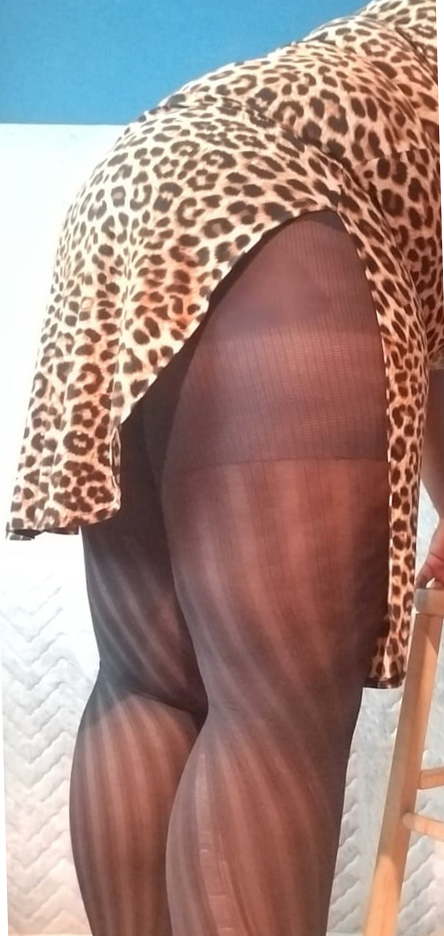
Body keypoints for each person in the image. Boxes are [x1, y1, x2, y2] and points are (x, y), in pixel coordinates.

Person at [4, 0, 442, 933]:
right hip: (279, 209)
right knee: (274, 711)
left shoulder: (386, 38)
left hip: (126, 199)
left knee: (148, 680)